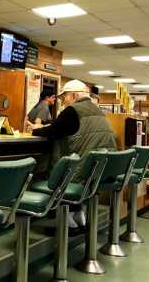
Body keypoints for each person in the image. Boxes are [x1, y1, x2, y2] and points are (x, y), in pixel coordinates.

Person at [32, 79, 117, 229]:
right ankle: (78, 213)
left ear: (75, 95)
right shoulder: (97, 110)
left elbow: (52, 132)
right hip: (99, 170)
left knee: (63, 172)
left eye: (64, 97)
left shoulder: (73, 110)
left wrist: (34, 129)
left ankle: (68, 218)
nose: (63, 101)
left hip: (80, 170)